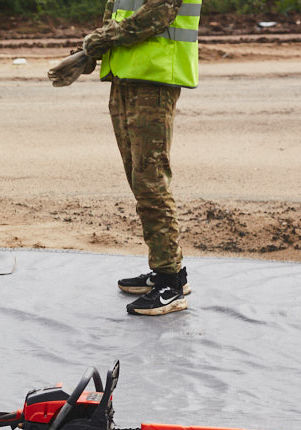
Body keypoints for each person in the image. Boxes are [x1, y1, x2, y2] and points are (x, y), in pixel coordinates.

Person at [49, 0, 201, 316]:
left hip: (154, 81)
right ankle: (165, 271)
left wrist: (100, 41)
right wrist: (89, 52)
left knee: (150, 180)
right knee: (139, 178)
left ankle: (170, 284)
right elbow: (116, 13)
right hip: (124, 80)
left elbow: (157, 14)